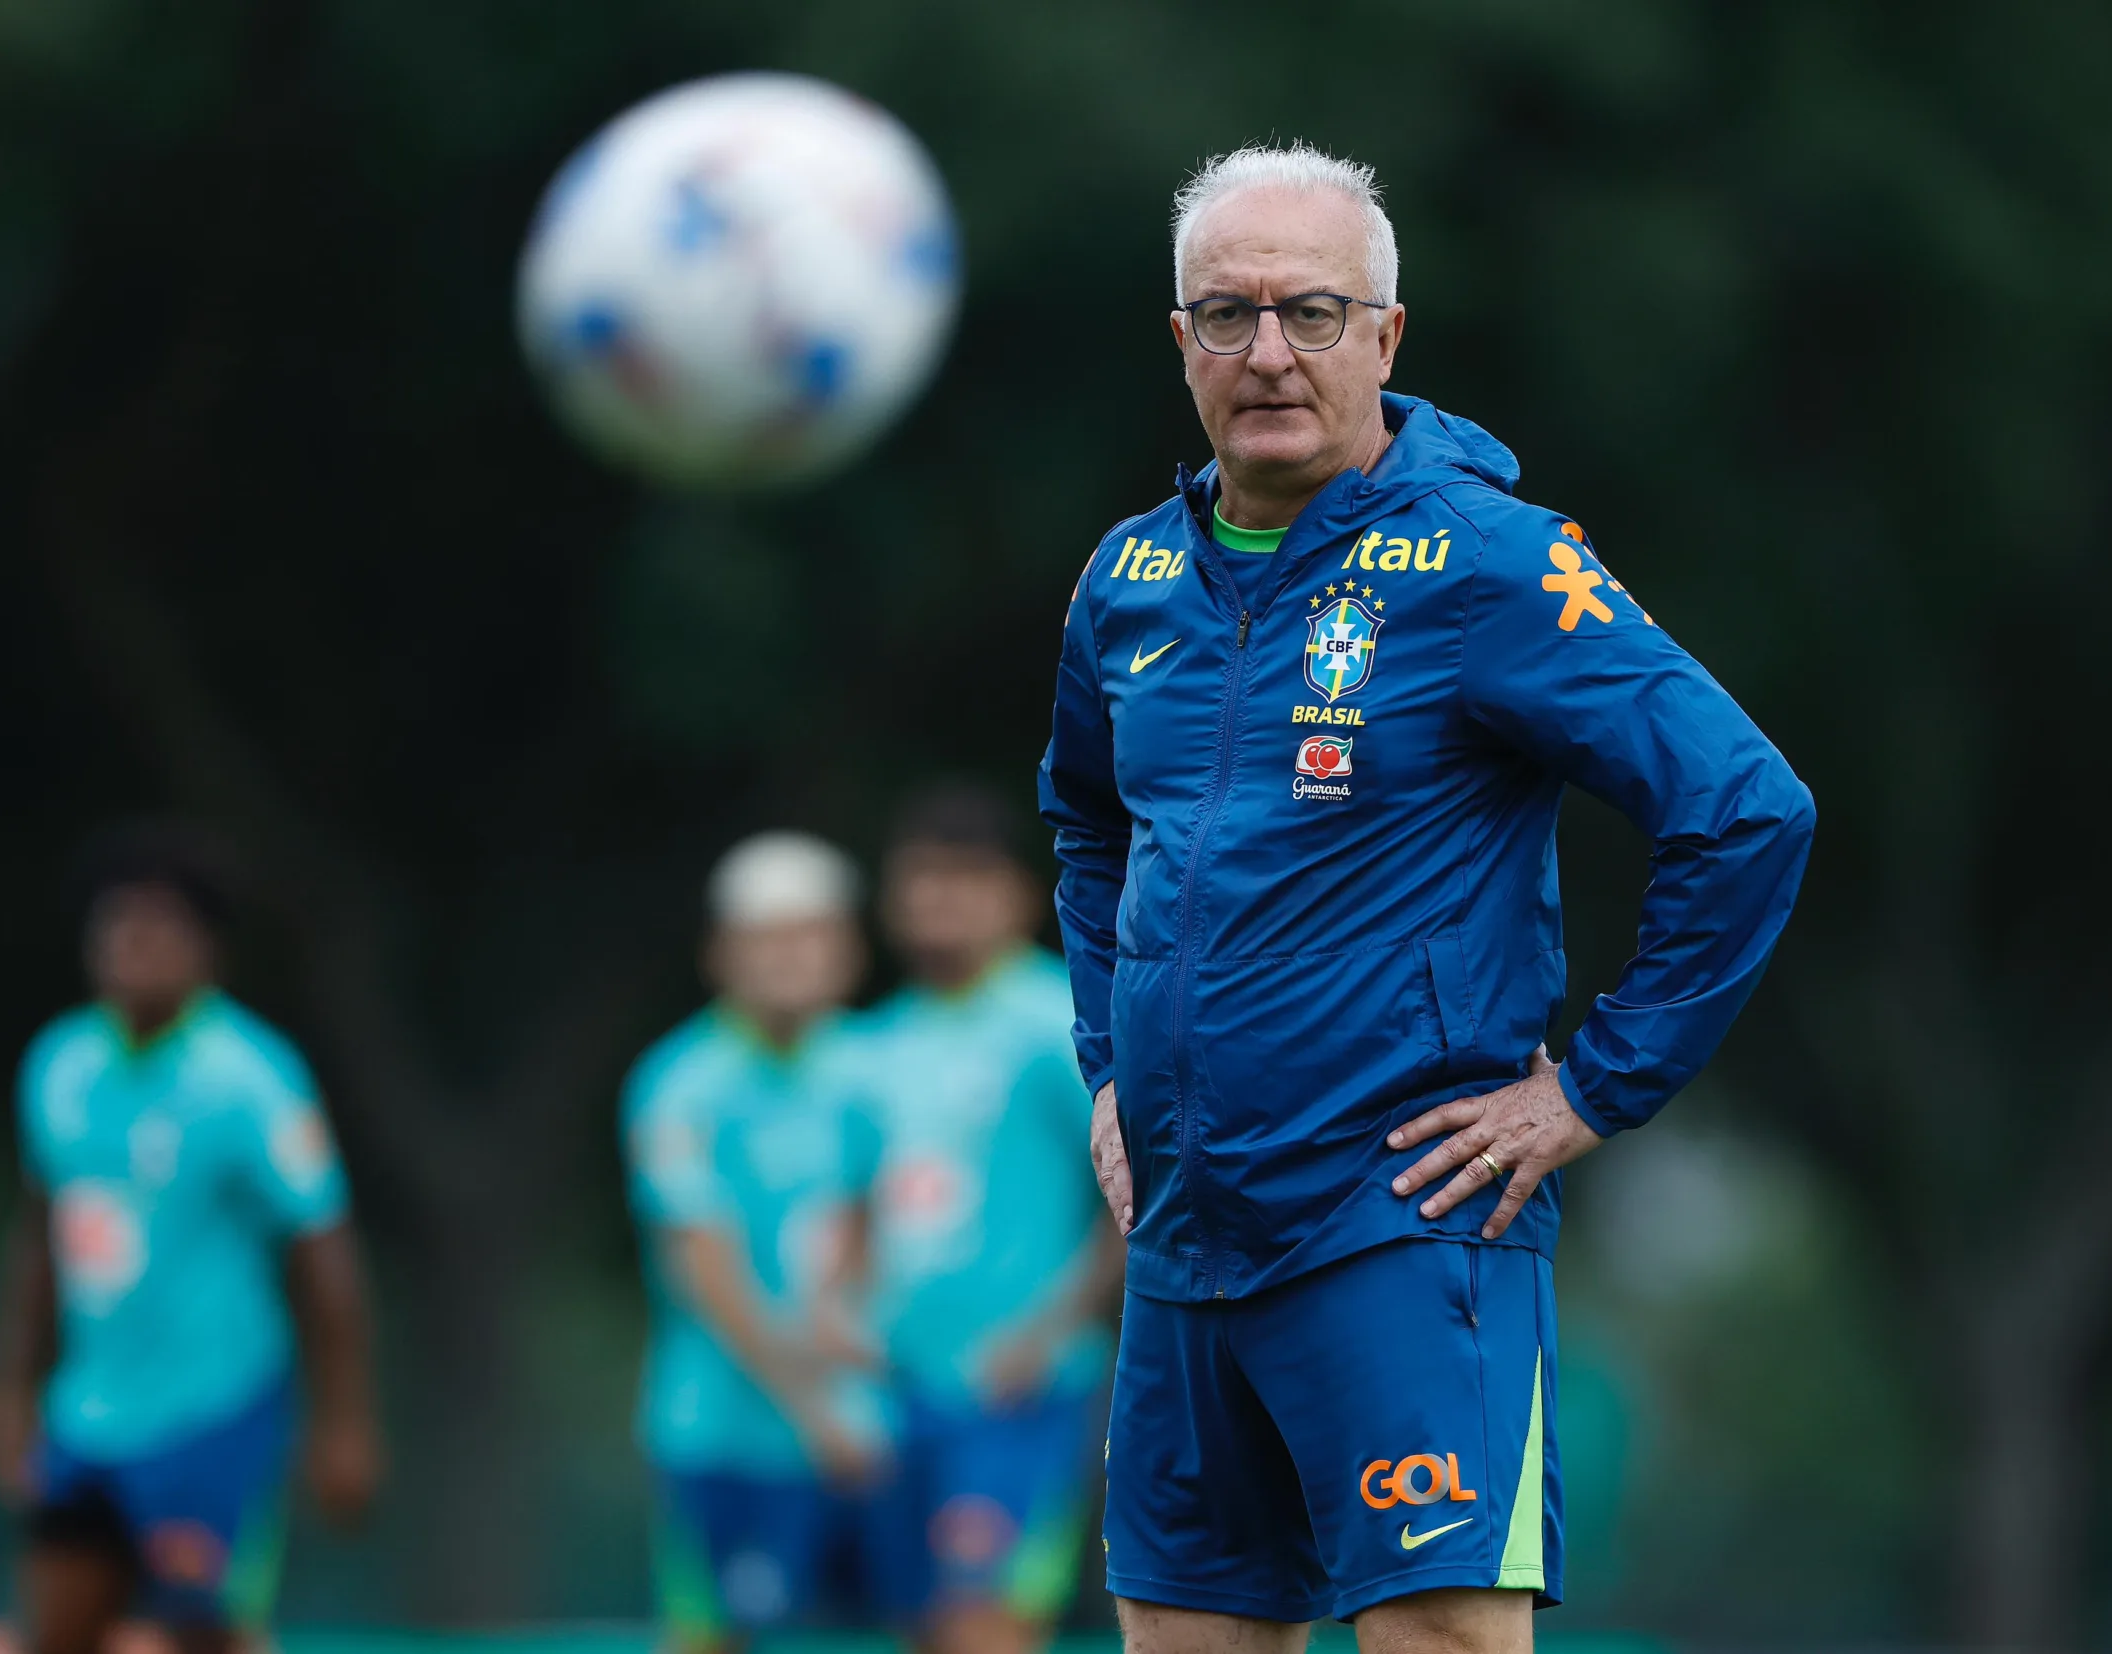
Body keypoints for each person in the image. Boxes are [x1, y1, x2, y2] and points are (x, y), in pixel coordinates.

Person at [1038, 144, 1818, 1654]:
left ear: (1386, 337)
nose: (1268, 352)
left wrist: (1594, 1090)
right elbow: (1084, 827)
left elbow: (1747, 808)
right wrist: (1110, 1067)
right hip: (1187, 1239)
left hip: (1402, 1225)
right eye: (1226, 315)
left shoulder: (1486, 560)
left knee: (1445, 1636)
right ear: (1180, 341)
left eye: (1312, 312)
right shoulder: (1125, 581)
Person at [0, 825, 381, 1654]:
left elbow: (322, 1251)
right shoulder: (60, 1066)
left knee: (203, 1630)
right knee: (57, 1625)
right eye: (117, 925)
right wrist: (13, 1384)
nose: (134, 946)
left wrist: (345, 1421)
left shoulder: (250, 1077)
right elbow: (41, 1241)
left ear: (206, 951)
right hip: (89, 1412)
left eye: (158, 928)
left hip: (212, 1408)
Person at [855, 784, 1122, 1654]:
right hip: (893, 1386)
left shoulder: (1058, 1021)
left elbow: (1139, 1190)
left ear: (1014, 894)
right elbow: (854, 1204)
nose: (941, 900)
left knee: (987, 1629)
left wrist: (1046, 1334)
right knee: (915, 1629)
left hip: (1019, 1394)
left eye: (965, 879)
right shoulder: (875, 1041)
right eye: (922, 879)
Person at [622, 832, 887, 1652]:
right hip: (719, 1437)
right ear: (720, 953)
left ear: (847, 951)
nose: (789, 957)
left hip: (865, 1435)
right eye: (765, 936)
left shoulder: (870, 1074)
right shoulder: (680, 1085)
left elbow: (875, 1229)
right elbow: (704, 1271)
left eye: (810, 933)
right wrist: (816, 1412)